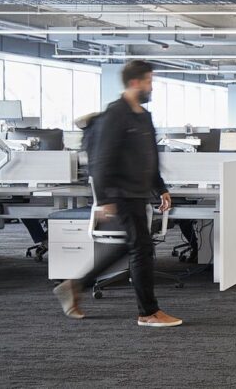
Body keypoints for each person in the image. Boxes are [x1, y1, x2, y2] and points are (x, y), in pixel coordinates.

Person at [53, 60, 182, 328]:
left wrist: (160, 188)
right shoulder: (115, 114)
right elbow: (102, 160)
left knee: (133, 245)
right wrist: (105, 199)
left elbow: (149, 157)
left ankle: (75, 286)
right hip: (122, 193)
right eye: (149, 81)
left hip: (138, 191)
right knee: (141, 247)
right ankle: (148, 312)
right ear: (135, 83)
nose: (151, 87)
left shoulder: (143, 116)